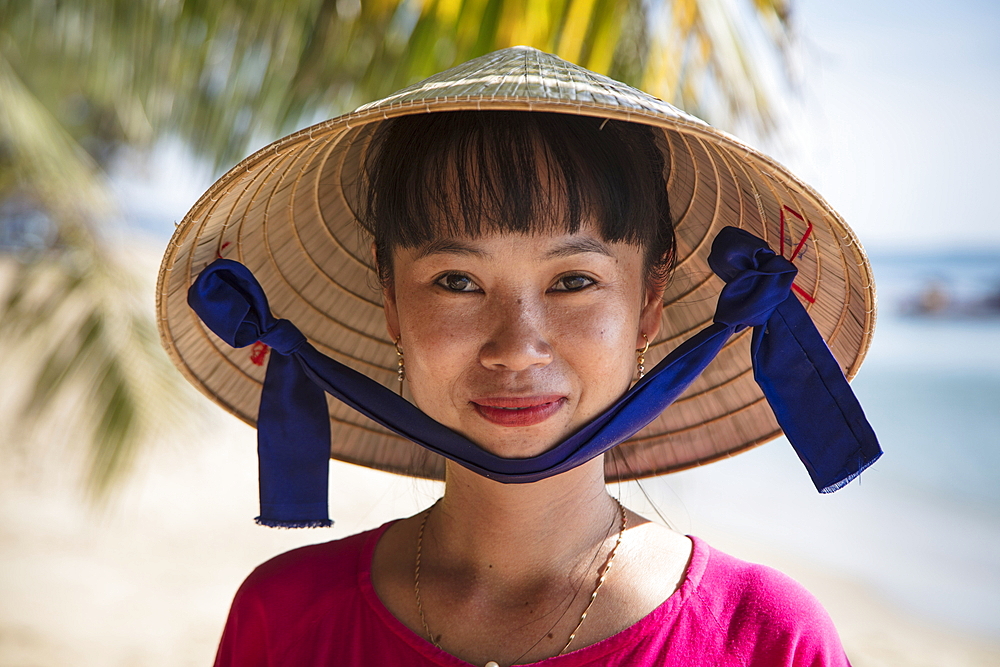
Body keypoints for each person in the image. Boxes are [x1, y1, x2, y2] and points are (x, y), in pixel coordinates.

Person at [159, 47, 880, 666]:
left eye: (573, 281)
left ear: (650, 301)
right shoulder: (282, 619)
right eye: (457, 281)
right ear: (391, 301)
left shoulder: (770, 640)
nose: (516, 346)